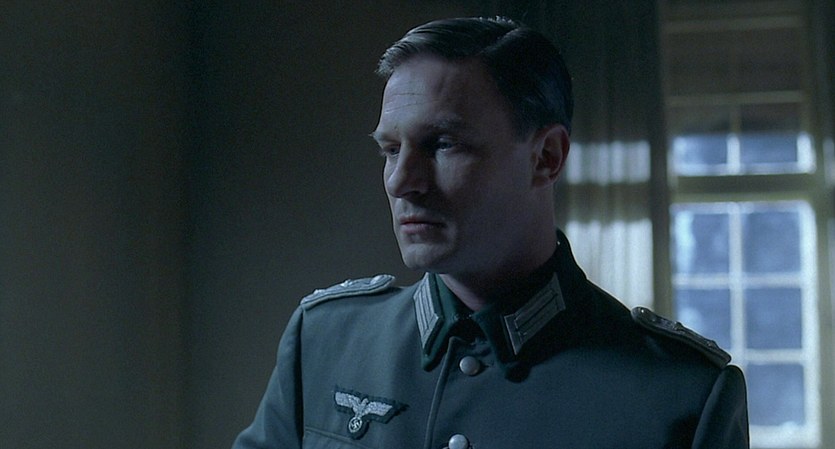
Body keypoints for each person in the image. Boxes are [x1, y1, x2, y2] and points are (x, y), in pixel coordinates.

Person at [232, 17, 749, 448]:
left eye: (442, 144)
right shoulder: (325, 342)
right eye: (391, 150)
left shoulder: (681, 393)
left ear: (546, 157)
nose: (401, 181)